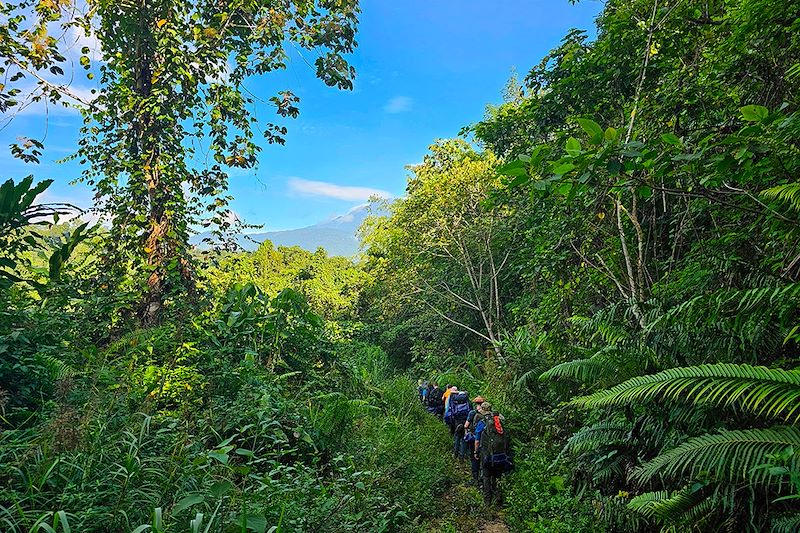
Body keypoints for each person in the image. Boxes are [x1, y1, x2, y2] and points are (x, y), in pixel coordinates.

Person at [474, 402, 512, 504]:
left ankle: (487, 500)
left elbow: (477, 440)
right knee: (497, 475)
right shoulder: (499, 423)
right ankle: (498, 496)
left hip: (486, 454)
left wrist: (475, 452)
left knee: (486, 476)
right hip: (500, 455)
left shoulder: (482, 423)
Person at [463, 395, 484, 482]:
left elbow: (466, 425)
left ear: (475, 403)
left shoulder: (472, 413)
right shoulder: (488, 414)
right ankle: (482, 477)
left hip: (475, 438)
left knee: (474, 457)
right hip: (485, 440)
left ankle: (475, 476)